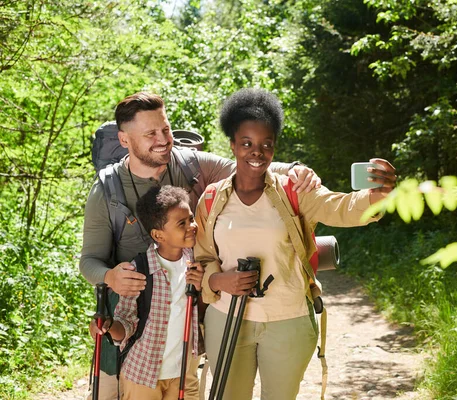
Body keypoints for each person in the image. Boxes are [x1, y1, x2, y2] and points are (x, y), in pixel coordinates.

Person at [79, 92, 322, 400]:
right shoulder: (107, 191)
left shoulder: (192, 166)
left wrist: (297, 170)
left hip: (186, 323)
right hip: (130, 327)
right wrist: (109, 277)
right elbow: (89, 261)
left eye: (165, 130)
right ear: (125, 140)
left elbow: (251, 164)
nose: (163, 139)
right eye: (150, 134)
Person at [194, 88, 397, 400]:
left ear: (275, 148)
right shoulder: (211, 199)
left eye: (266, 144)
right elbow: (203, 258)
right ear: (232, 145)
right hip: (226, 317)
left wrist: (378, 197)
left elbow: (340, 207)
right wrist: (219, 280)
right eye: (246, 143)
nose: (256, 152)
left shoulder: (295, 191)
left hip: (286, 320)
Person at [91, 185, 204, 399]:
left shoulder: (196, 262)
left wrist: (200, 288)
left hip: (184, 372)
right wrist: (106, 327)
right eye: (182, 223)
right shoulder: (140, 270)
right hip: (143, 375)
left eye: (191, 218)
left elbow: (204, 309)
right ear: (158, 235)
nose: (192, 226)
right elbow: (126, 324)